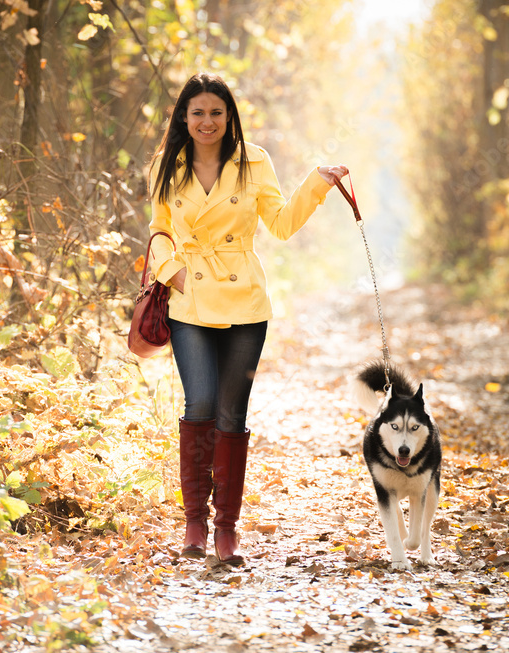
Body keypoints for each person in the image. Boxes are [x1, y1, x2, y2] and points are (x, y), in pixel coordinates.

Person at [146, 72, 349, 565]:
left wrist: (316, 184)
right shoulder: (166, 164)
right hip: (190, 298)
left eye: (217, 112)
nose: (208, 121)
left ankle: (226, 530)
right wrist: (173, 274)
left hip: (245, 302)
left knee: (233, 414)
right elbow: (158, 229)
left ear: (229, 116)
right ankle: (194, 523)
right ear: (184, 117)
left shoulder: (254, 161)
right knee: (201, 405)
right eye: (198, 113)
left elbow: (279, 225)